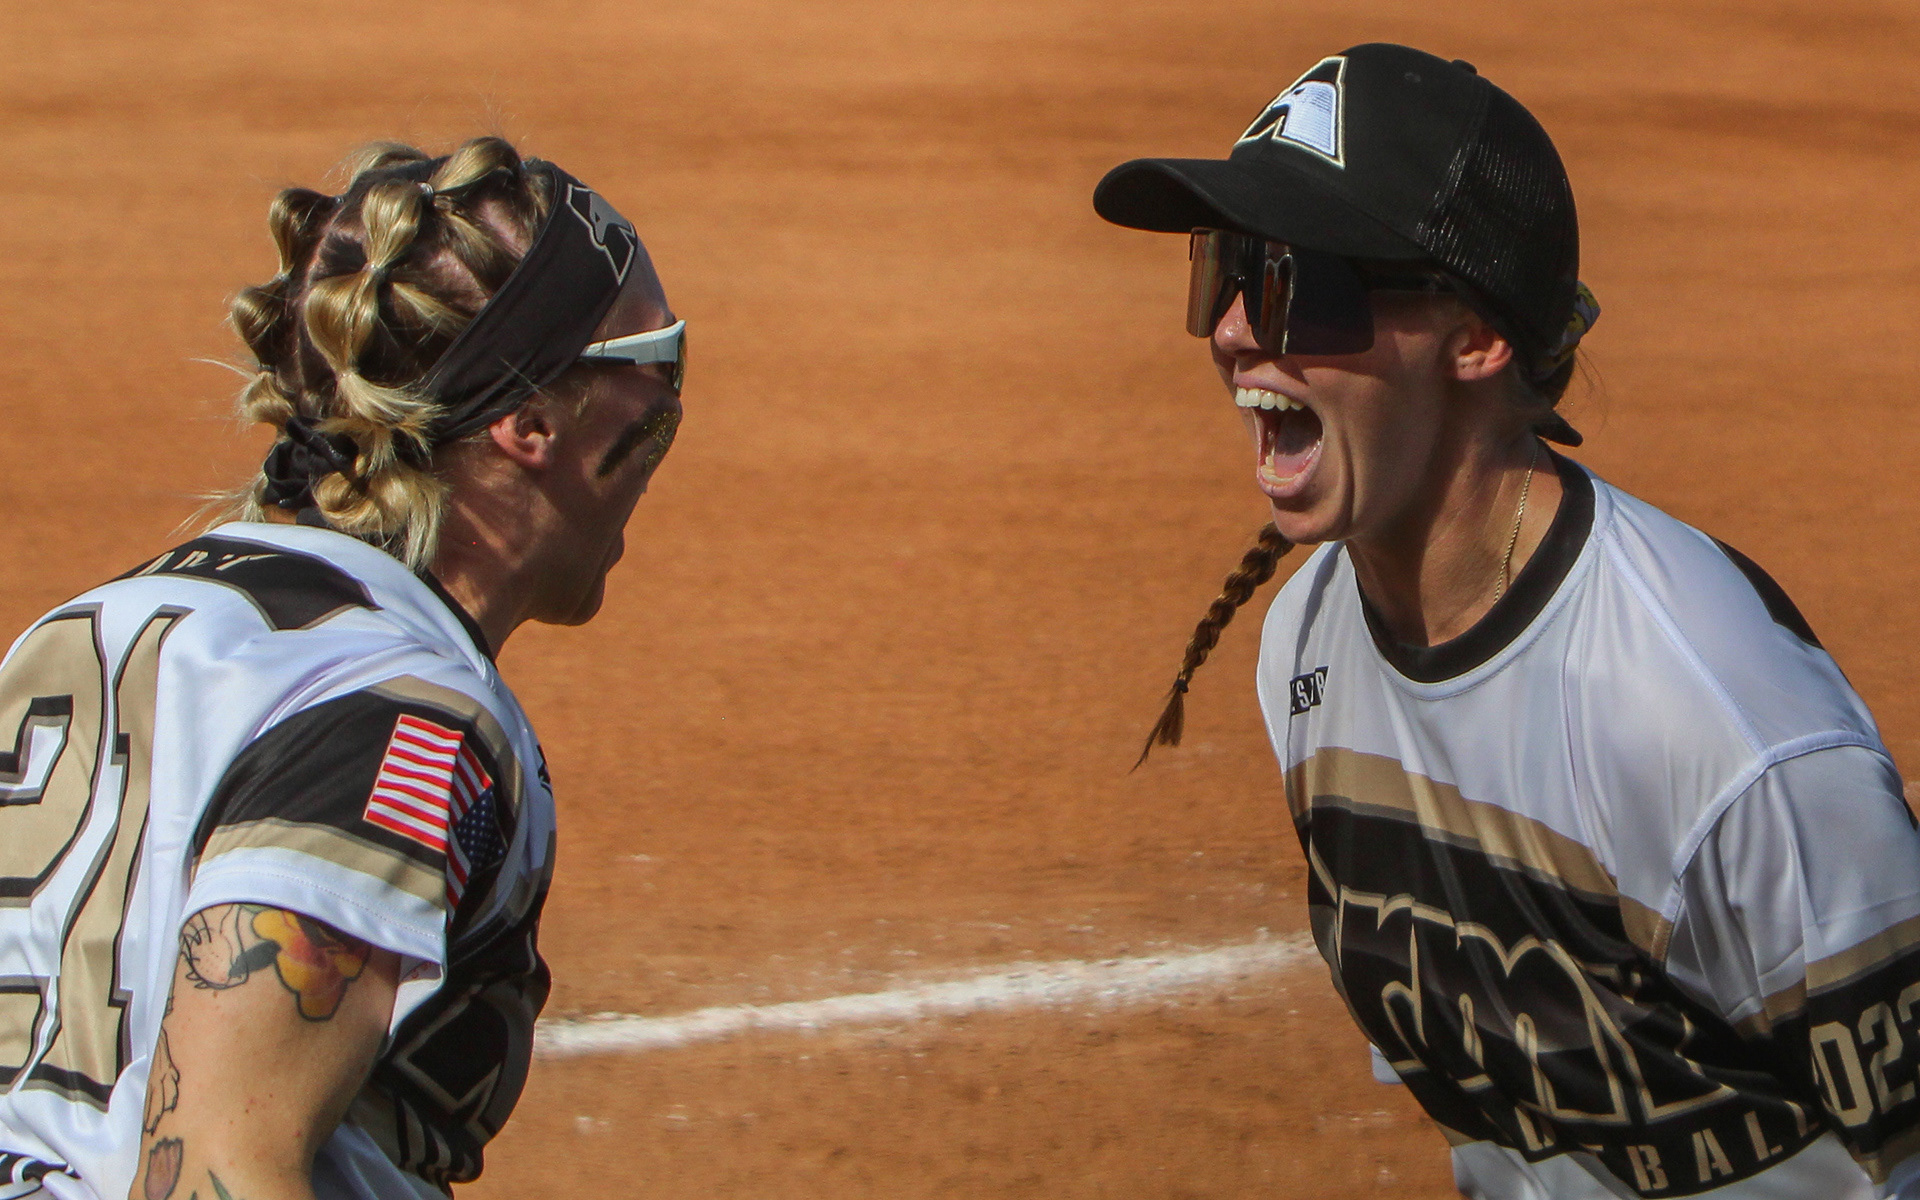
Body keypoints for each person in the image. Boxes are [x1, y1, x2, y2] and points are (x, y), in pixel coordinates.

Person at [1094, 43, 1920, 1199]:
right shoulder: (1309, 643)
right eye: (1225, 270)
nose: (1235, 330)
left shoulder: (1714, 732)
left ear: (1474, 337)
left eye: (1297, 282)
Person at [0, 136, 684, 1200]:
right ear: (530, 422)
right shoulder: (405, 719)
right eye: (655, 363)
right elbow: (217, 1167)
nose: (665, 409)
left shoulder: (99, 626)